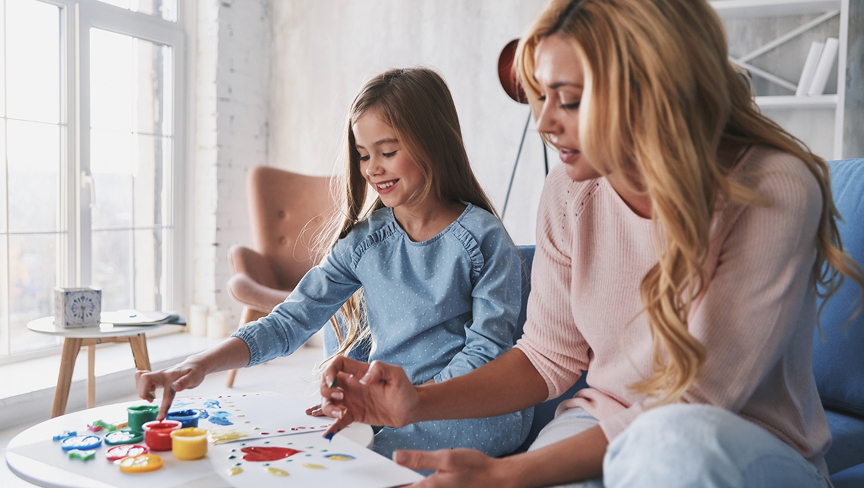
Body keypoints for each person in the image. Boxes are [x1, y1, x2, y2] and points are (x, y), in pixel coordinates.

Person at [317, 1, 864, 487]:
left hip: (735, 445)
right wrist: (417, 401)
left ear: (647, 89)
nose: (545, 124)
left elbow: (693, 402)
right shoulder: (568, 194)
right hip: (598, 423)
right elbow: (545, 358)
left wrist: (509, 475)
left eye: (569, 100)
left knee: (670, 447)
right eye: (542, 97)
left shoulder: (772, 188)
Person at [134, 67, 532, 459]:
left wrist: (408, 404)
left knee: (347, 455)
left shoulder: (483, 237)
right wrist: (199, 364)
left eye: (388, 152)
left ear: (434, 143)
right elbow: (288, 321)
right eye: (363, 155)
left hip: (466, 407)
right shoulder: (365, 242)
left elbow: (487, 352)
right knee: (318, 451)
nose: (373, 168)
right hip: (389, 409)